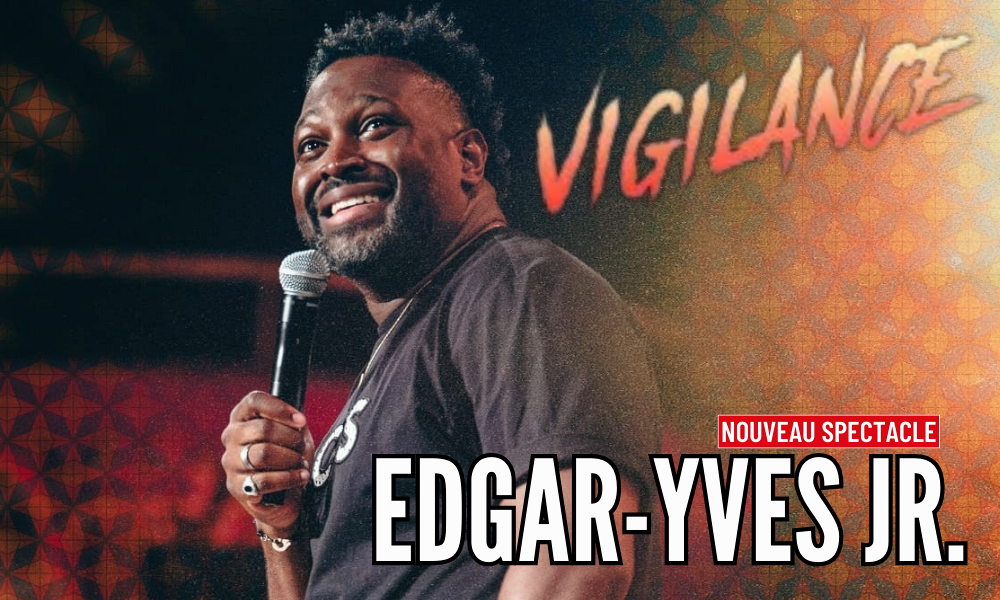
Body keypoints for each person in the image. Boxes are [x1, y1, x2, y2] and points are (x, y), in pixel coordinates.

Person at [220, 8, 663, 600]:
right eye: (311, 145)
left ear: (469, 159)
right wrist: (281, 529)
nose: (334, 161)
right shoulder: (410, 343)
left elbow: (576, 561)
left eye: (375, 125)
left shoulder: (517, 287)